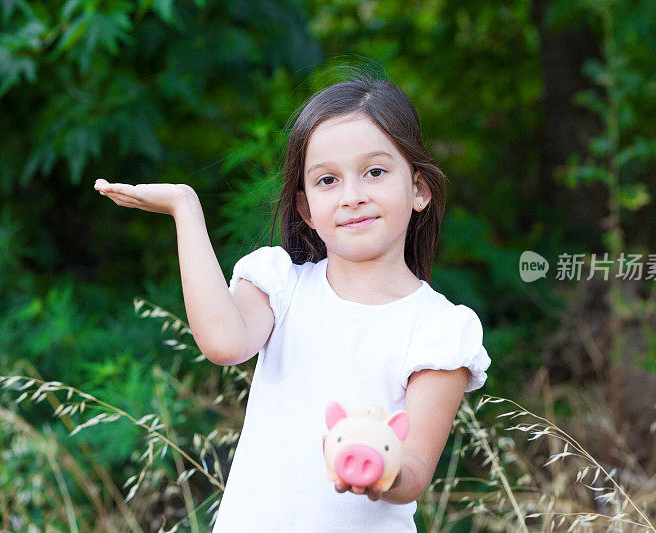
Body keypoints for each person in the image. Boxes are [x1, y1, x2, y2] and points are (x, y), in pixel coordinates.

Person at [94, 74, 491, 532]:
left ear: (419, 189)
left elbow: (417, 468)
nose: (353, 195)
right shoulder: (281, 285)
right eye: (327, 180)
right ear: (305, 209)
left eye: (375, 172)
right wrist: (185, 208)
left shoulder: (438, 328)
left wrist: (379, 467)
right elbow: (223, 344)